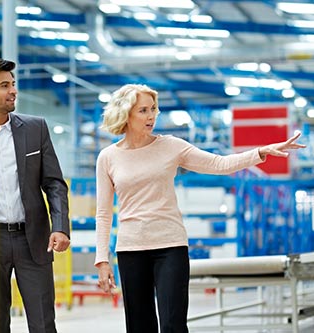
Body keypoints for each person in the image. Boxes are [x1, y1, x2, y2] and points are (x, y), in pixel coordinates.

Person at [94, 84, 306, 333]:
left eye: (153, 109)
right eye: (143, 110)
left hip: (170, 246)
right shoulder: (108, 157)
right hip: (130, 249)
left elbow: (219, 164)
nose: (151, 116)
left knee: (174, 325)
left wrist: (261, 152)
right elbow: (104, 212)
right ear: (126, 113)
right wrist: (102, 260)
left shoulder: (171, 146)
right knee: (139, 326)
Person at [0, 58, 70, 333]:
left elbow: (54, 184)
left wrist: (60, 227)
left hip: (32, 240)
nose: (13, 91)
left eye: (13, 84)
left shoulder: (35, 128)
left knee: (43, 324)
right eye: (4, 86)